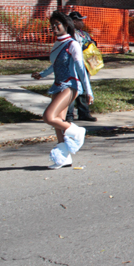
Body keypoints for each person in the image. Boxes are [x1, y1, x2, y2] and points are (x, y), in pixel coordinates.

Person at [32, 11, 93, 169]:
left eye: (57, 24)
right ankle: (64, 158)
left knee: (48, 116)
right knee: (58, 123)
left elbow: (81, 69)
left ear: (66, 25)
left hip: (71, 85)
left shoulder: (73, 44)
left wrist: (88, 91)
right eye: (52, 25)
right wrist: (42, 74)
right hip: (58, 85)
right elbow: (55, 65)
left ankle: (77, 131)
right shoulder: (57, 43)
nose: (54, 27)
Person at [65, 11, 98, 122]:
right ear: (73, 21)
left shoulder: (84, 34)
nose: (82, 23)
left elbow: (90, 43)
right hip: (73, 66)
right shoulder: (69, 34)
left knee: (84, 88)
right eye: (80, 20)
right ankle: (69, 115)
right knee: (72, 89)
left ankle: (84, 113)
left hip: (85, 65)